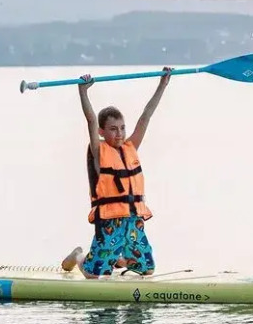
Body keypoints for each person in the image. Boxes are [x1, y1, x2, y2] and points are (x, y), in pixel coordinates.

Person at [61, 70, 172, 278]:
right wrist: (83, 91)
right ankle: (78, 257)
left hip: (133, 219)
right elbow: (91, 120)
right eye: (113, 129)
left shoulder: (131, 146)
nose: (119, 133)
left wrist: (162, 85)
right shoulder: (99, 152)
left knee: (146, 269)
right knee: (94, 275)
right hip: (110, 221)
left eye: (122, 128)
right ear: (102, 132)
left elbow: (146, 116)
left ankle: (117, 259)